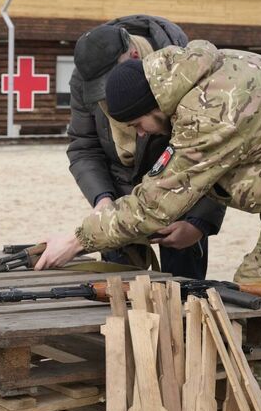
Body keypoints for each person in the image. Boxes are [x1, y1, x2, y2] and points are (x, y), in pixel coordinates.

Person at [36, 39, 261, 411]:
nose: (141, 133)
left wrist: (77, 238)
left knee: (253, 316)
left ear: (151, 101)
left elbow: (156, 202)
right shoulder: (192, 77)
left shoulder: (210, 106)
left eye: (139, 123)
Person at [67, 16, 224, 278]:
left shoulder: (186, 68)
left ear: (135, 53)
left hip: (182, 196)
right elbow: (84, 146)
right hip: (119, 198)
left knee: (184, 296)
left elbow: (214, 153)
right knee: (115, 292)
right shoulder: (87, 76)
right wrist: (102, 197)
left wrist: (199, 222)